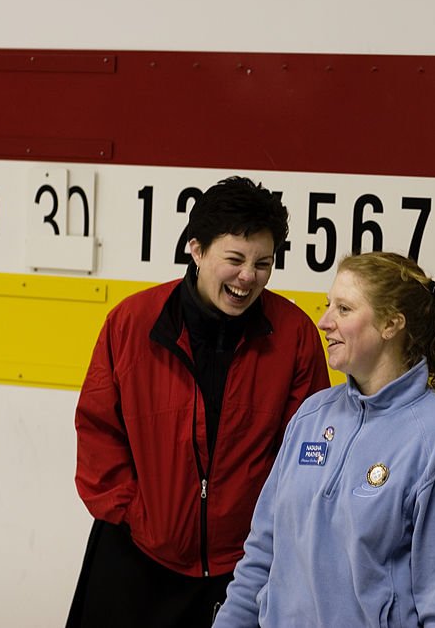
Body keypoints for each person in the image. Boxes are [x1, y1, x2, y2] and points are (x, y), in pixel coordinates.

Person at [67, 176, 331, 627]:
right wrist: (136, 514)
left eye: (263, 263)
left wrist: (271, 536)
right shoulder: (130, 324)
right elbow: (98, 430)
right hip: (135, 557)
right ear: (196, 249)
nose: (248, 276)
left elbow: (311, 453)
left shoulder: (295, 336)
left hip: (242, 570)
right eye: (235, 259)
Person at [214, 251, 435, 628]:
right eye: (329, 306)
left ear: (391, 324)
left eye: (343, 309)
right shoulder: (311, 417)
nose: (324, 322)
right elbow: (261, 555)